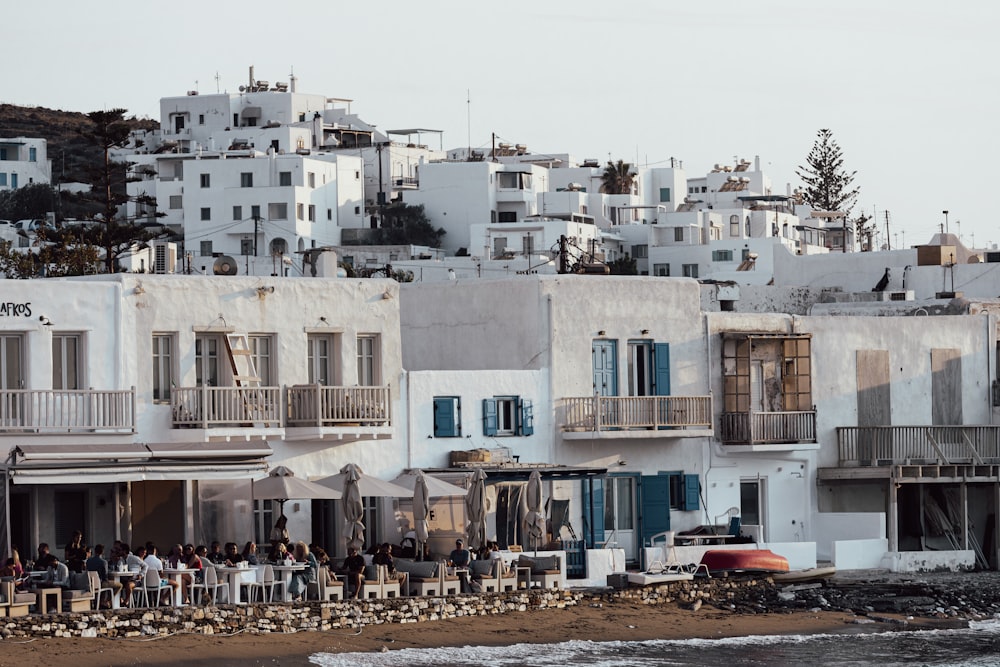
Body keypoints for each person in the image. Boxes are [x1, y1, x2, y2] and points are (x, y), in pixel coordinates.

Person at [86, 544, 122, 609]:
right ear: (103, 552)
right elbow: (105, 575)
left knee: (108, 584)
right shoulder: (103, 562)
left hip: (91, 583)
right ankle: (108, 601)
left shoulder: (89, 561)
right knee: (119, 585)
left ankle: (102, 601)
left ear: (95, 551)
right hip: (101, 583)